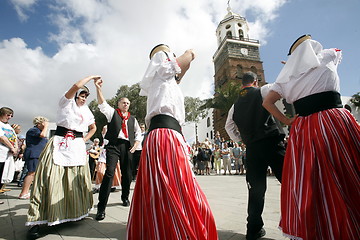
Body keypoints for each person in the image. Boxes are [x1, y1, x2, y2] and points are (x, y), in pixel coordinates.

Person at [262, 35, 360, 240]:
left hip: (307, 127)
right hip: (335, 119)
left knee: (314, 177)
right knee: (347, 168)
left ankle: (325, 223)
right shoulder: (327, 58)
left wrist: (288, 121)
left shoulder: (285, 77)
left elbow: (267, 103)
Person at [127, 44, 218, 239]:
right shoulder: (162, 62)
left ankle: (168, 228)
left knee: (173, 187)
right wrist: (190, 52)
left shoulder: (167, 82)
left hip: (170, 134)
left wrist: (185, 60)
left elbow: (179, 72)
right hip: (164, 135)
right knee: (173, 187)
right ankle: (173, 230)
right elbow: (176, 65)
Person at [26, 75, 99, 238]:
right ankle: (37, 220)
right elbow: (75, 85)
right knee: (48, 178)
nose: (84, 98)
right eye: (82, 94)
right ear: (75, 95)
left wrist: (83, 140)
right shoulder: (65, 102)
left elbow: (93, 127)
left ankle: (72, 213)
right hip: (59, 143)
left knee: (77, 180)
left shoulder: (86, 110)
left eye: (86, 96)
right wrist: (92, 77)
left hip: (77, 147)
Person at [225, 71, 285, 240]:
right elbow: (283, 89)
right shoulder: (263, 90)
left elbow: (229, 127)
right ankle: (301, 224)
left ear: (242, 84)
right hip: (272, 144)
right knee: (289, 181)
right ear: (256, 81)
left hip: (252, 149)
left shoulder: (234, 106)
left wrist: (241, 140)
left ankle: (253, 229)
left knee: (256, 190)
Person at [94, 81, 142, 221]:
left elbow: (138, 133)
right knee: (109, 174)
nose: (126, 104)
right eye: (123, 103)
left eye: (127, 103)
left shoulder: (133, 119)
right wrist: (98, 89)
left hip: (127, 147)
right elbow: (102, 104)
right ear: (119, 104)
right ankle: (101, 208)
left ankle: (125, 197)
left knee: (127, 174)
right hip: (114, 146)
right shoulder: (112, 114)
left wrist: (136, 143)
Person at [18, 116, 49, 200]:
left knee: (35, 174)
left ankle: (31, 191)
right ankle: (23, 193)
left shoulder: (39, 131)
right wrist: (45, 127)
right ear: (39, 123)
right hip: (33, 154)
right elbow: (42, 135)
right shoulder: (33, 130)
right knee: (31, 173)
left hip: (39, 154)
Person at [0, 107, 18, 194]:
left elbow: (14, 138)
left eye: (11, 115)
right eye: (8, 115)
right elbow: (2, 138)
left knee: (3, 176)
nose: (10, 117)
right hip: (1, 152)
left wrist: (16, 148)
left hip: (7, 155)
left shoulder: (8, 126)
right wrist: (11, 147)